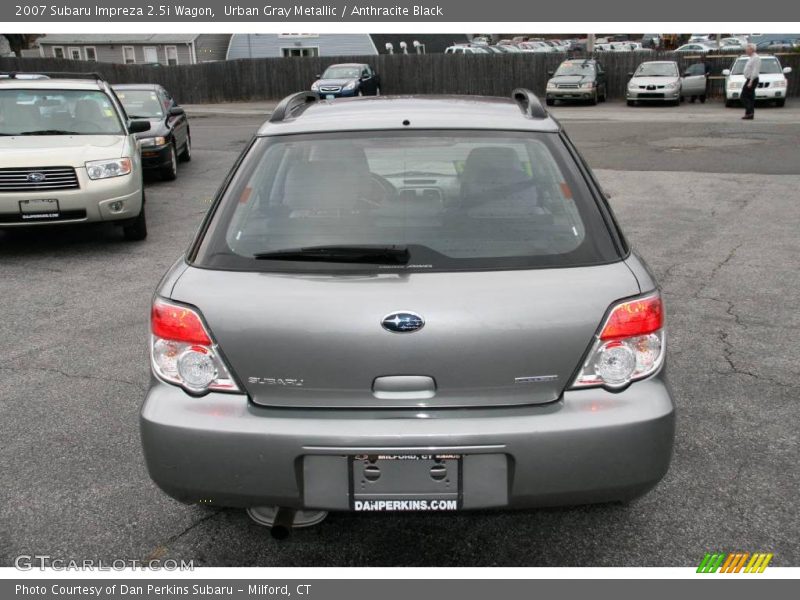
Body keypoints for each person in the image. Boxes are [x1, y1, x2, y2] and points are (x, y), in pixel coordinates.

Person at [741, 43, 761, 120]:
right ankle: (749, 114)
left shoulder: (756, 58)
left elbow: (755, 71)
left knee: (743, 96)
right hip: (749, 79)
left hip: (752, 79)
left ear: (752, 49)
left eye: (747, 49)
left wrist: (751, 81)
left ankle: (750, 111)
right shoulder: (751, 57)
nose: (746, 50)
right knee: (750, 97)